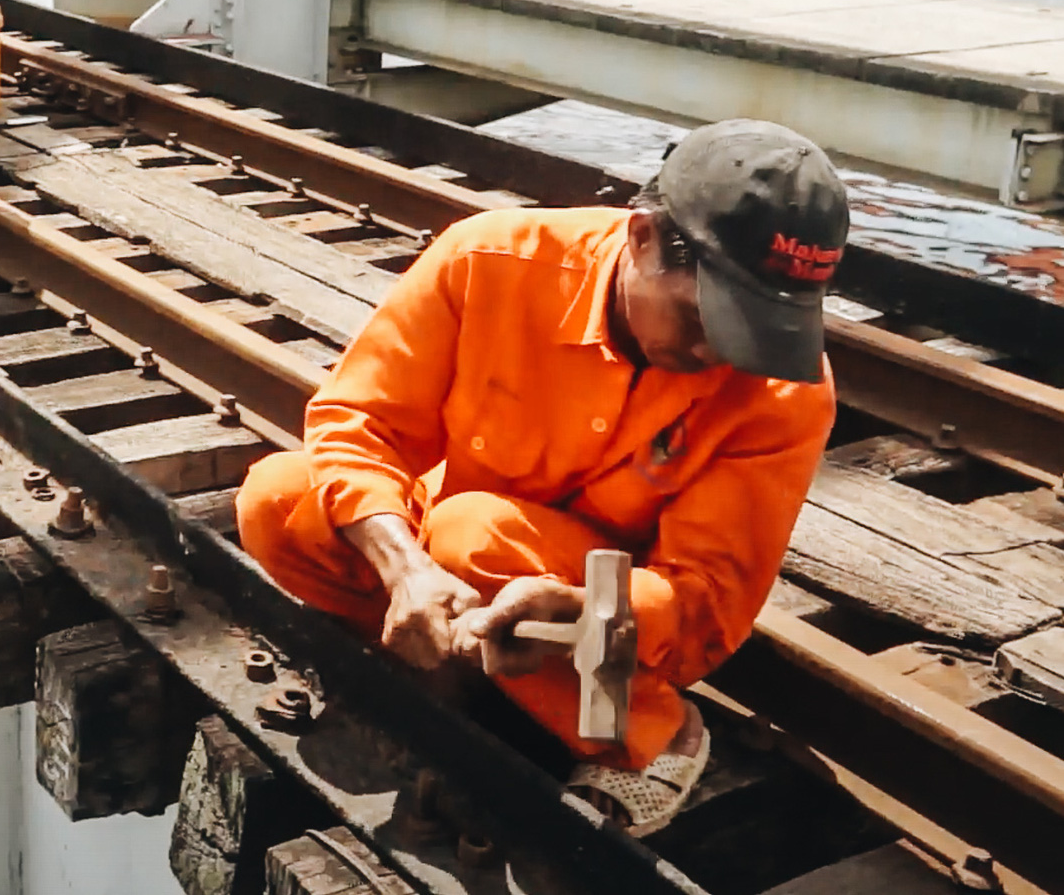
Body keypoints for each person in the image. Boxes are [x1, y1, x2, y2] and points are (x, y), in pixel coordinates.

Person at [237, 119, 849, 836]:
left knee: (473, 536)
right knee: (280, 502)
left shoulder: (785, 395)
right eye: (702, 317)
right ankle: (449, 654)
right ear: (643, 238)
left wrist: (585, 608)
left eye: (756, 331)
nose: (719, 351)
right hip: (455, 550)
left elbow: (706, 601)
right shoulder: (489, 259)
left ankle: (655, 734)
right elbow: (359, 423)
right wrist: (404, 570)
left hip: (595, 602)